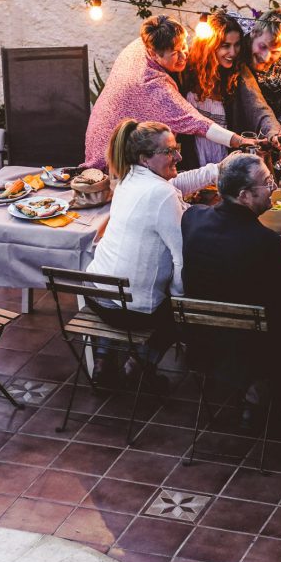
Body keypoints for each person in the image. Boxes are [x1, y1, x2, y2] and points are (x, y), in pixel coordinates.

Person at [85, 119, 217, 389]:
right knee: (178, 312)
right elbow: (181, 258)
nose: (178, 156)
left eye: (177, 148)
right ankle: (139, 366)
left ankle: (102, 361)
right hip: (128, 311)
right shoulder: (162, 193)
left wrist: (216, 170)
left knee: (121, 279)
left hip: (95, 294)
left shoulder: (127, 178)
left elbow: (175, 183)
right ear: (144, 158)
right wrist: (180, 301)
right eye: (169, 151)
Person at [180, 152, 281, 426]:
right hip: (252, 349)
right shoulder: (268, 244)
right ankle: (277, 388)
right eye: (267, 182)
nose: (273, 187)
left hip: (201, 341)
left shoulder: (192, 219)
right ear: (244, 195)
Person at [83, 15, 249, 171]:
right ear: (154, 54)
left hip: (108, 145)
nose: (184, 56)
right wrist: (241, 141)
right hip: (111, 163)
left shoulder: (141, 43)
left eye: (183, 46)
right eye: (175, 54)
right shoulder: (152, 85)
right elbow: (195, 121)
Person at [178, 12, 281, 169]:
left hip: (228, 161)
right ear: (209, 45)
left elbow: (259, 108)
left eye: (237, 45)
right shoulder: (187, 70)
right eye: (226, 46)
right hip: (192, 158)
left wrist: (274, 133)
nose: (233, 52)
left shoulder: (239, 72)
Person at [232, 8, 281, 177]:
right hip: (232, 116)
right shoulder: (239, 32)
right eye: (262, 46)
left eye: (275, 52)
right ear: (254, 33)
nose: (266, 56)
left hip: (269, 133)